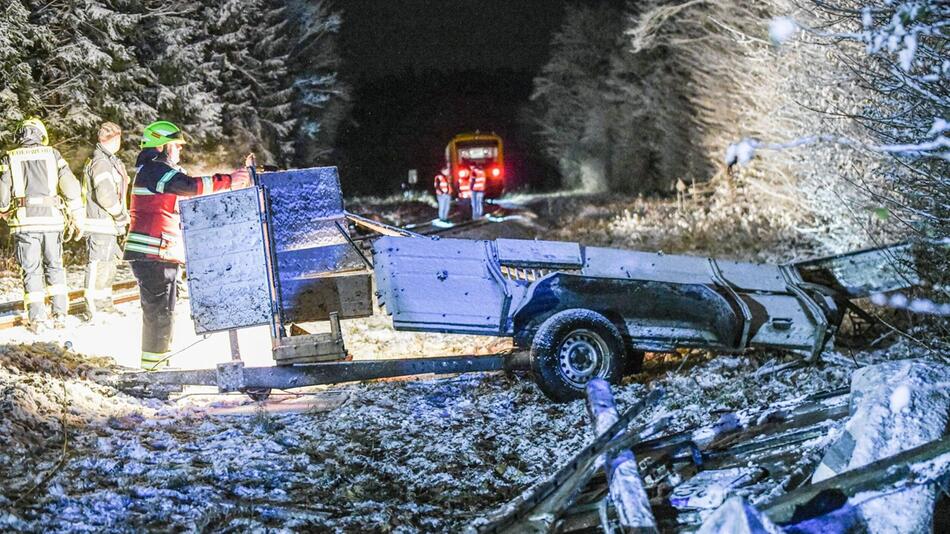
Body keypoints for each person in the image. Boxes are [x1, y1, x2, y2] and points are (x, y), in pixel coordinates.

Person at [124, 120, 250, 370]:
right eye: (177, 146)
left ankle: (158, 367)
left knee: (163, 315)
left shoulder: (156, 171)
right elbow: (189, 186)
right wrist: (229, 180)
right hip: (154, 255)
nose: (180, 150)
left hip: (159, 254)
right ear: (162, 146)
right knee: (160, 317)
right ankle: (155, 372)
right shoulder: (155, 170)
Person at [0, 118, 84, 332]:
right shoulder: (53, 155)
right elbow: (72, 189)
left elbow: (2, 198)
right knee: (55, 267)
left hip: (25, 224)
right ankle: (60, 315)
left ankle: (37, 319)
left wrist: (4, 209)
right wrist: (77, 216)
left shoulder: (9, 158)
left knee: (31, 270)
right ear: (41, 134)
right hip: (52, 221)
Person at [82, 122, 130, 319]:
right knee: (98, 266)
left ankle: (105, 304)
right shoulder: (102, 163)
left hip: (108, 225)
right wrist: (120, 215)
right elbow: (106, 196)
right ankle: (93, 309)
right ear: (113, 139)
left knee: (108, 267)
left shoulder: (109, 161)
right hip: (101, 224)